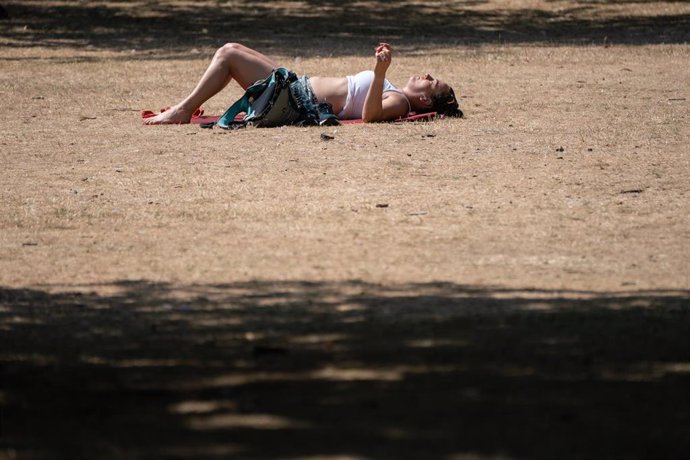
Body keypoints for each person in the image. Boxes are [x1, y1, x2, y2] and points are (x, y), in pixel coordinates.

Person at [144, 42, 461, 125]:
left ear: (424, 102)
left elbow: (371, 116)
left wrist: (379, 74)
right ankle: (184, 107)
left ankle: (183, 110)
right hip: (294, 88)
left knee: (228, 54)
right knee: (232, 51)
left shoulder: (401, 103)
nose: (427, 76)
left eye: (432, 84)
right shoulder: (394, 90)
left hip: (294, 101)